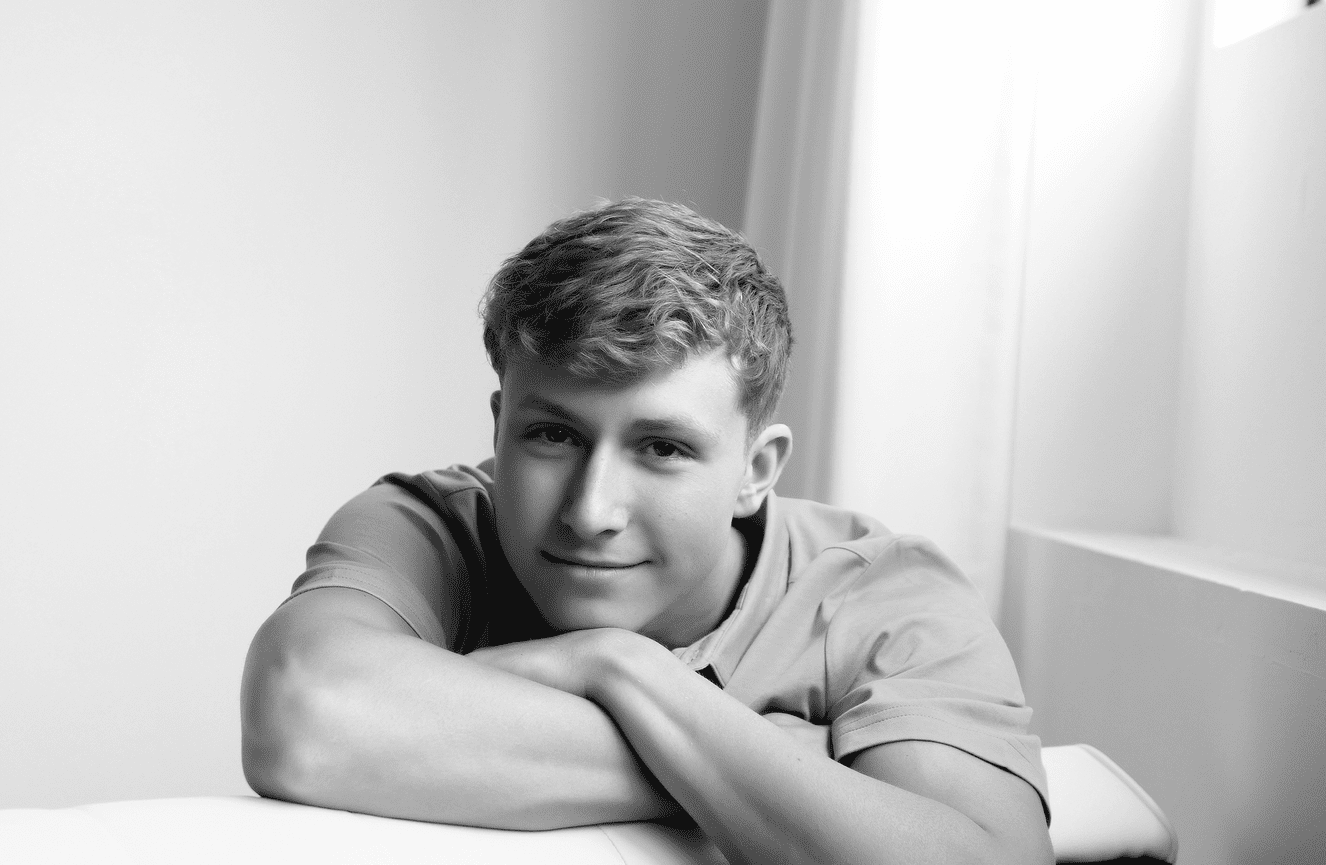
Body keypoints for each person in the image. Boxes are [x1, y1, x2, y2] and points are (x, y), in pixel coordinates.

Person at [240, 198, 1054, 864]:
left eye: (662, 448)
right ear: (499, 426)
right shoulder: (428, 526)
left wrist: (629, 676)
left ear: (756, 469)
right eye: (553, 435)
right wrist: (791, 766)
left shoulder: (882, 592)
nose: (591, 510)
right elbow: (301, 710)